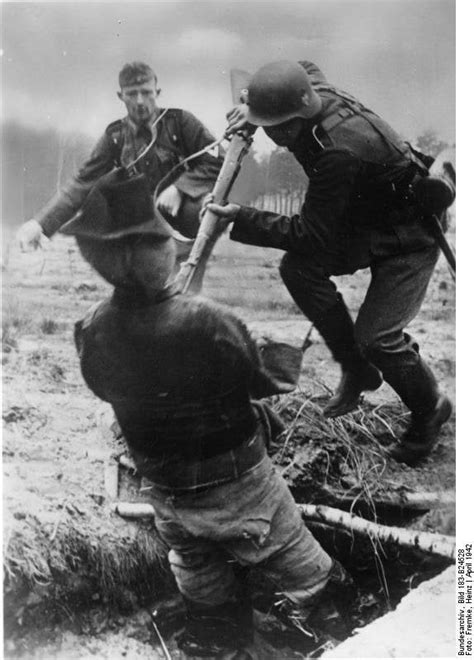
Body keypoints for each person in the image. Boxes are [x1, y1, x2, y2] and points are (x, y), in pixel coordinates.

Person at [67, 177, 354, 657]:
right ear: (146, 254)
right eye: (165, 242)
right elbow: (262, 379)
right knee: (312, 576)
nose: (175, 251)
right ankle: (331, 630)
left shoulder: (92, 328)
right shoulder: (205, 319)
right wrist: (282, 358)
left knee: (197, 571)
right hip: (241, 488)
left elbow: (104, 388)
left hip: (167, 494)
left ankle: (213, 640)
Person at [207, 60, 454, 466]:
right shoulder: (312, 89)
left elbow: (311, 234)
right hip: (371, 219)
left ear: (291, 123)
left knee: (378, 339)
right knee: (298, 269)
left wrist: (243, 217)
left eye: (271, 126)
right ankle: (357, 370)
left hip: (410, 234)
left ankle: (431, 408)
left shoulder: (336, 153)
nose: (269, 135)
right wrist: (252, 102)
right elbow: (303, 66)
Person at [16, 61, 223, 271]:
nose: (140, 101)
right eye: (132, 94)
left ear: (157, 92)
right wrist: (39, 224)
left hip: (181, 216)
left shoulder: (180, 122)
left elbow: (218, 161)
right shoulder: (115, 136)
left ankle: (191, 268)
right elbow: (82, 183)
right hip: (141, 224)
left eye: (146, 92)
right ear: (120, 96)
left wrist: (180, 188)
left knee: (207, 210)